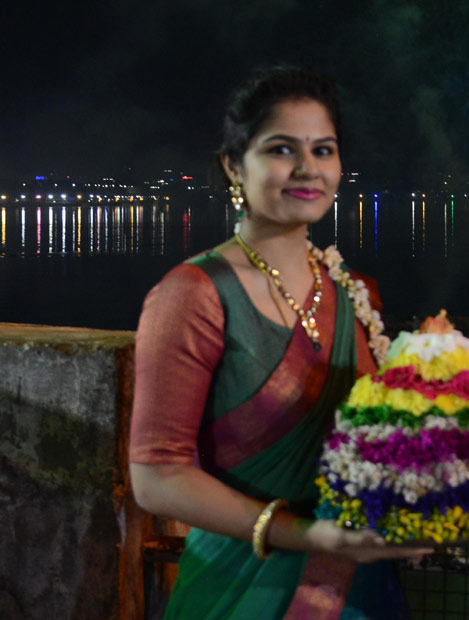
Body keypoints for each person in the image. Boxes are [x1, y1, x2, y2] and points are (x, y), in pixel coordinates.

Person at [129, 66, 430, 620]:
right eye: (281, 149)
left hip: (359, 588)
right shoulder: (192, 296)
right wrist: (306, 535)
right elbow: (156, 479)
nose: (308, 168)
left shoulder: (355, 293)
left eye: (323, 150)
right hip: (240, 589)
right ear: (233, 165)